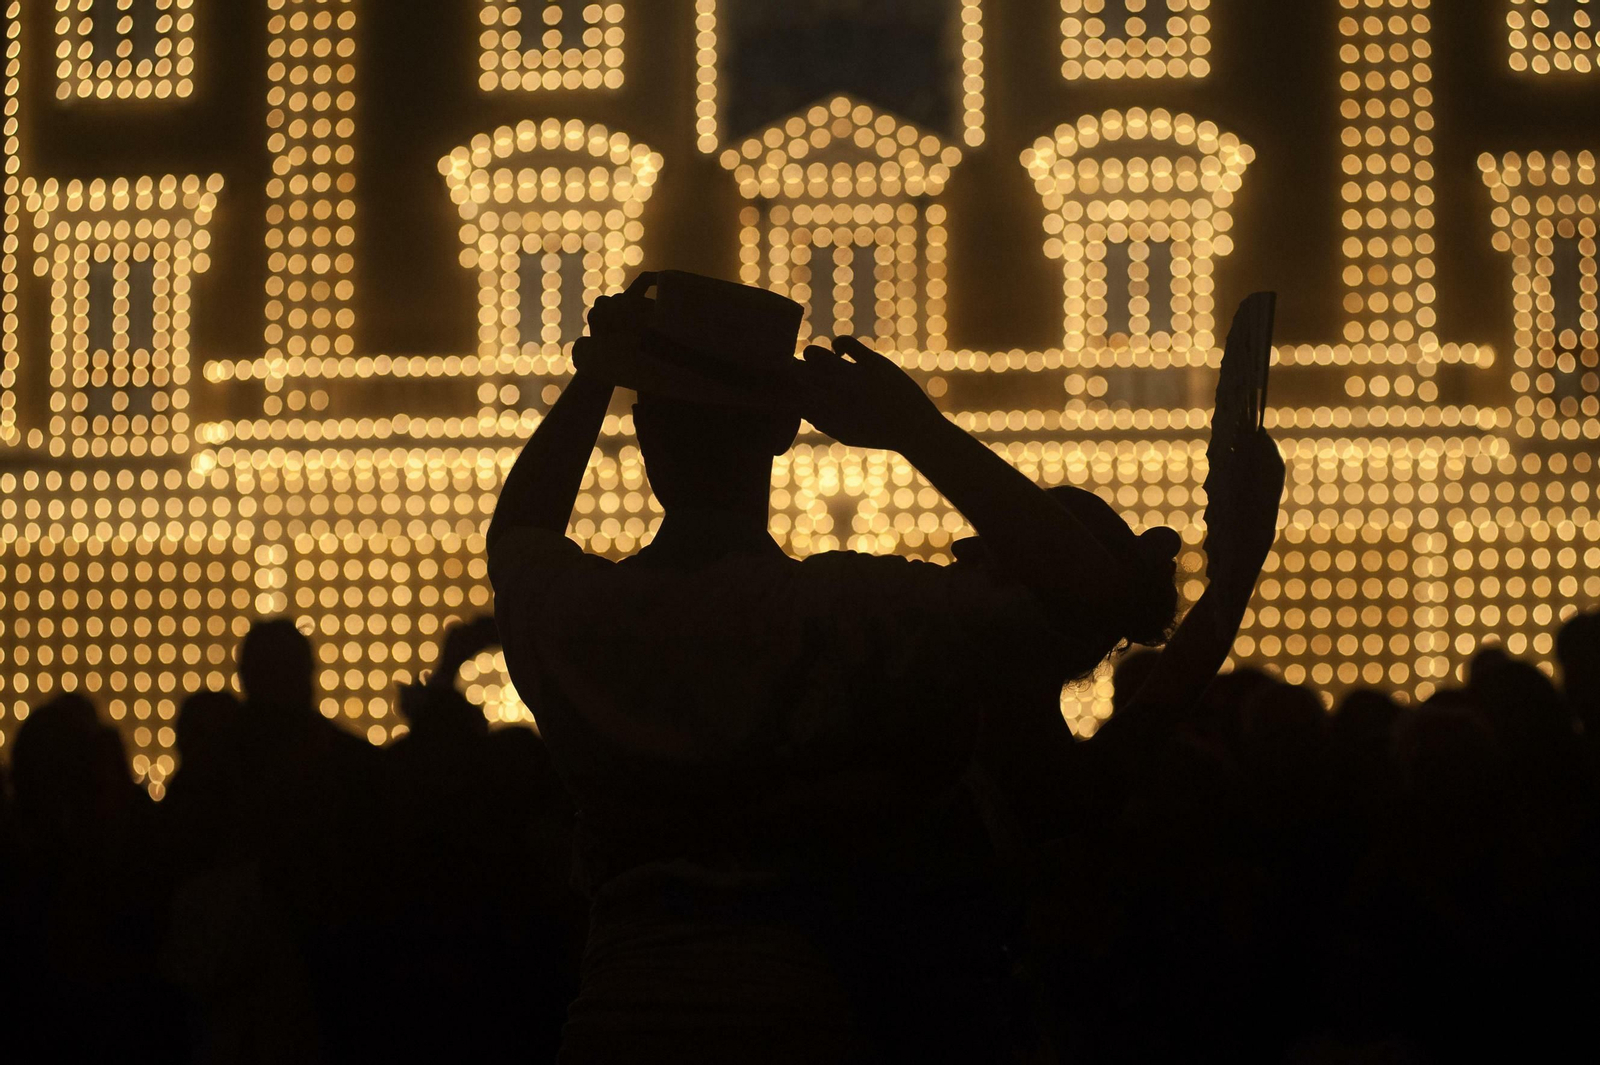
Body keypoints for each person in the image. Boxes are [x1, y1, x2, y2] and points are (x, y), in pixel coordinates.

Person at [487, 272, 1163, 1062]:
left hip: (616, 1018)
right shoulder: (851, 613)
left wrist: (601, 370)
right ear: (780, 427)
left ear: (642, 430)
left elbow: (520, 532)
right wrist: (916, 429)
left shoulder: (578, 618)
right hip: (799, 1017)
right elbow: (1090, 594)